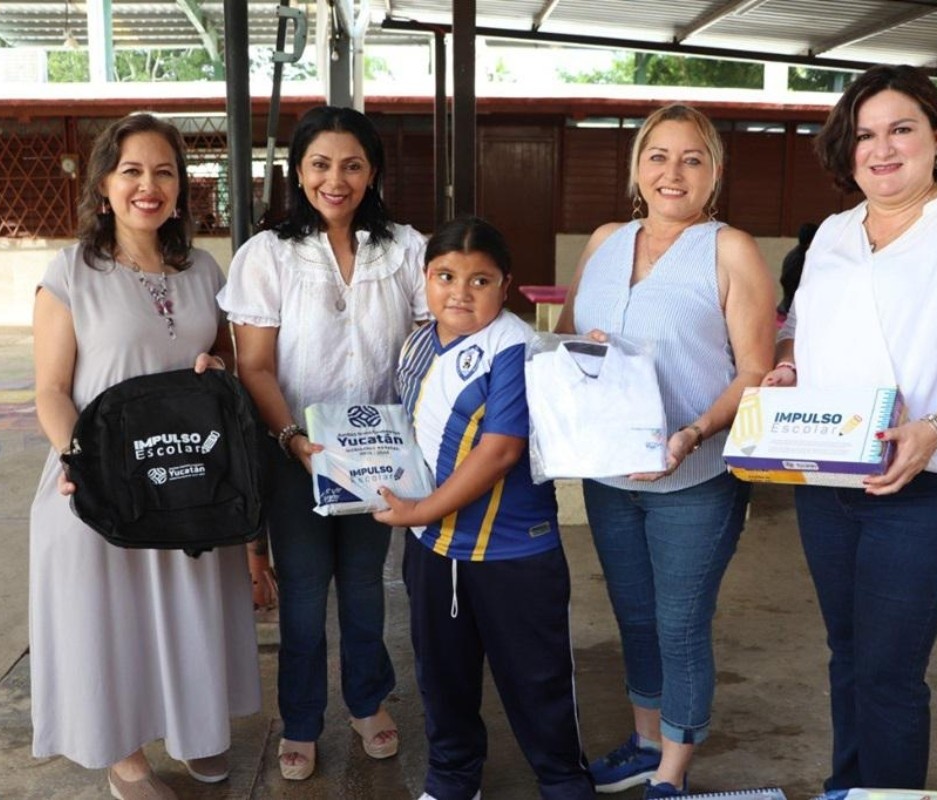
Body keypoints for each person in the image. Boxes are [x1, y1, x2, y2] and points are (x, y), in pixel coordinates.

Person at [762, 64, 937, 791]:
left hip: (931, 482)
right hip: (829, 476)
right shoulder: (834, 231)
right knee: (848, 654)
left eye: (900, 130)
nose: (880, 150)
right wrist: (789, 367)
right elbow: (798, 325)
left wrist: (934, 430)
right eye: (863, 135)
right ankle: (851, 788)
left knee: (888, 671)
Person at [30, 113, 259, 800]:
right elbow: (47, 388)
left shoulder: (202, 270)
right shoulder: (70, 272)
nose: (148, 186)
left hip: (187, 476)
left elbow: (225, 364)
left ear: (182, 188)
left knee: (191, 606)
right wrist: (85, 468)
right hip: (101, 481)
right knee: (115, 619)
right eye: (131, 171)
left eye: (164, 172)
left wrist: (217, 365)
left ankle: (195, 733)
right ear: (104, 185)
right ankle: (125, 756)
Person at [555, 104, 776, 798]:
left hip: (697, 476)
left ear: (713, 173)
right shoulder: (604, 241)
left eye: (692, 158)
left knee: (680, 623)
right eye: (658, 155)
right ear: (637, 167)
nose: (672, 172)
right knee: (634, 614)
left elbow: (755, 372)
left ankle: (673, 773)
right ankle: (646, 741)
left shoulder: (730, 248)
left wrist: (694, 431)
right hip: (609, 471)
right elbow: (565, 339)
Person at [217, 105, 427, 781]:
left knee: (366, 589)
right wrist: (294, 439)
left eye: (352, 164)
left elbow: (429, 345)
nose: (335, 179)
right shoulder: (268, 254)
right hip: (297, 456)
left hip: (378, 458)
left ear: (373, 172)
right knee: (303, 598)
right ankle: (302, 720)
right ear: (298, 171)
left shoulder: (405, 248)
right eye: (320, 164)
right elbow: (254, 366)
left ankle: (367, 703)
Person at [376, 216, 595, 800]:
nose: (460, 292)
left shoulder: (517, 348)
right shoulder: (418, 342)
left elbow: (499, 453)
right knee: (442, 678)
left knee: (537, 681)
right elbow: (403, 433)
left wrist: (419, 512)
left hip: (513, 553)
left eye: (480, 280)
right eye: (445, 276)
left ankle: (563, 783)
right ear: (425, 279)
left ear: (507, 285)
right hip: (433, 551)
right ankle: (453, 779)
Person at [777, 221, 818, 317]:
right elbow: (790, 283)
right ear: (812, 241)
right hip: (792, 311)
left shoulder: (796, 254)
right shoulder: (801, 259)